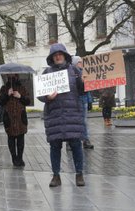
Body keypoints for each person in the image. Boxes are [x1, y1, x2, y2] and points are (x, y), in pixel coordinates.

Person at [38, 43, 85, 187]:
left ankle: (79, 174)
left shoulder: (76, 71)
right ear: (52, 57)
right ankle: (56, 176)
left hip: (72, 115)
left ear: (65, 56)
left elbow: (83, 92)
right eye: (55, 55)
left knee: (76, 145)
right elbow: (40, 95)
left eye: (60, 54)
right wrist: (48, 98)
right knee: (54, 147)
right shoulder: (47, 73)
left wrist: (84, 82)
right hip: (55, 116)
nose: (58, 57)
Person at [0, 74, 31, 167]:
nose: (12, 78)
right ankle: (14, 158)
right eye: (10, 76)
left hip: (21, 118)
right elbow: (0, 101)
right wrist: (7, 95)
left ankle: (20, 158)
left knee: (21, 139)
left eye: (14, 76)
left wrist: (20, 96)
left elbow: (28, 101)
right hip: (9, 118)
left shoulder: (22, 88)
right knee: (11, 138)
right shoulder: (4, 88)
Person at [72, 56, 94, 149]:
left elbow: (87, 89)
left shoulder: (85, 73)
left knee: (84, 121)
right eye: (79, 62)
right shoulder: (72, 73)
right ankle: (71, 141)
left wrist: (89, 101)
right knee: (73, 121)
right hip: (74, 100)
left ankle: (85, 139)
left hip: (83, 99)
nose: (81, 64)